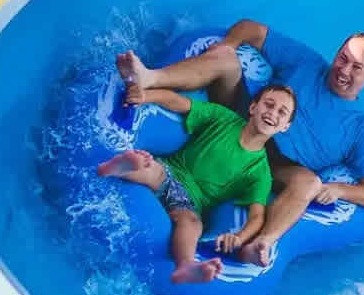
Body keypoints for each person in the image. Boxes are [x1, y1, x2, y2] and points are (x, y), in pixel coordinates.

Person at [114, 19, 364, 267]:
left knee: (309, 182)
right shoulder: (307, 63)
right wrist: (227, 46)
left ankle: (263, 242)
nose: (344, 70)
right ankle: (148, 77)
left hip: (277, 164)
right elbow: (251, 29)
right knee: (226, 60)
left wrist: (340, 189)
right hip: (244, 119)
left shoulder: (357, 126)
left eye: (356, 67)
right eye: (342, 59)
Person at [97, 81, 297, 283]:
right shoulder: (224, 119)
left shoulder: (260, 172)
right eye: (269, 104)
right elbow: (180, 102)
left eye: (282, 112)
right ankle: (117, 167)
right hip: (170, 171)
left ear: (285, 126)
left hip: (190, 203)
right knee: (151, 169)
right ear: (253, 107)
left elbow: (257, 217)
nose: (272, 113)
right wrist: (145, 96)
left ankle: (185, 266)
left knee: (192, 224)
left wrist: (239, 237)